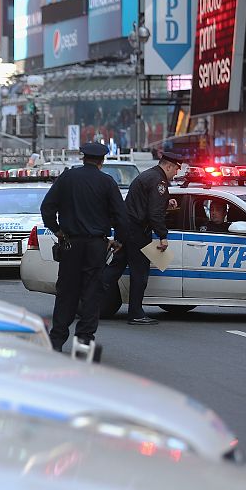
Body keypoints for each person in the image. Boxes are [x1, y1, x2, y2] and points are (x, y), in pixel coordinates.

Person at [40, 142, 130, 352]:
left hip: (70, 244)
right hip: (96, 246)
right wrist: (119, 240)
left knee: (66, 292)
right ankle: (84, 342)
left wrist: (57, 230)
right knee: (91, 293)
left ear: (83, 158)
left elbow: (47, 208)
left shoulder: (67, 178)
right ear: (102, 161)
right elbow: (121, 217)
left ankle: (56, 341)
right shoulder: (107, 182)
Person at [102, 152, 182, 326]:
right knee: (140, 273)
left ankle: (87, 300)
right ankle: (136, 313)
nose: (176, 173)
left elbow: (146, 203)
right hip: (137, 232)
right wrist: (163, 236)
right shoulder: (158, 181)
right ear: (168, 166)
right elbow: (154, 213)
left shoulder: (149, 175)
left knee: (115, 268)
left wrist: (166, 202)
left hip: (126, 228)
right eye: (176, 169)